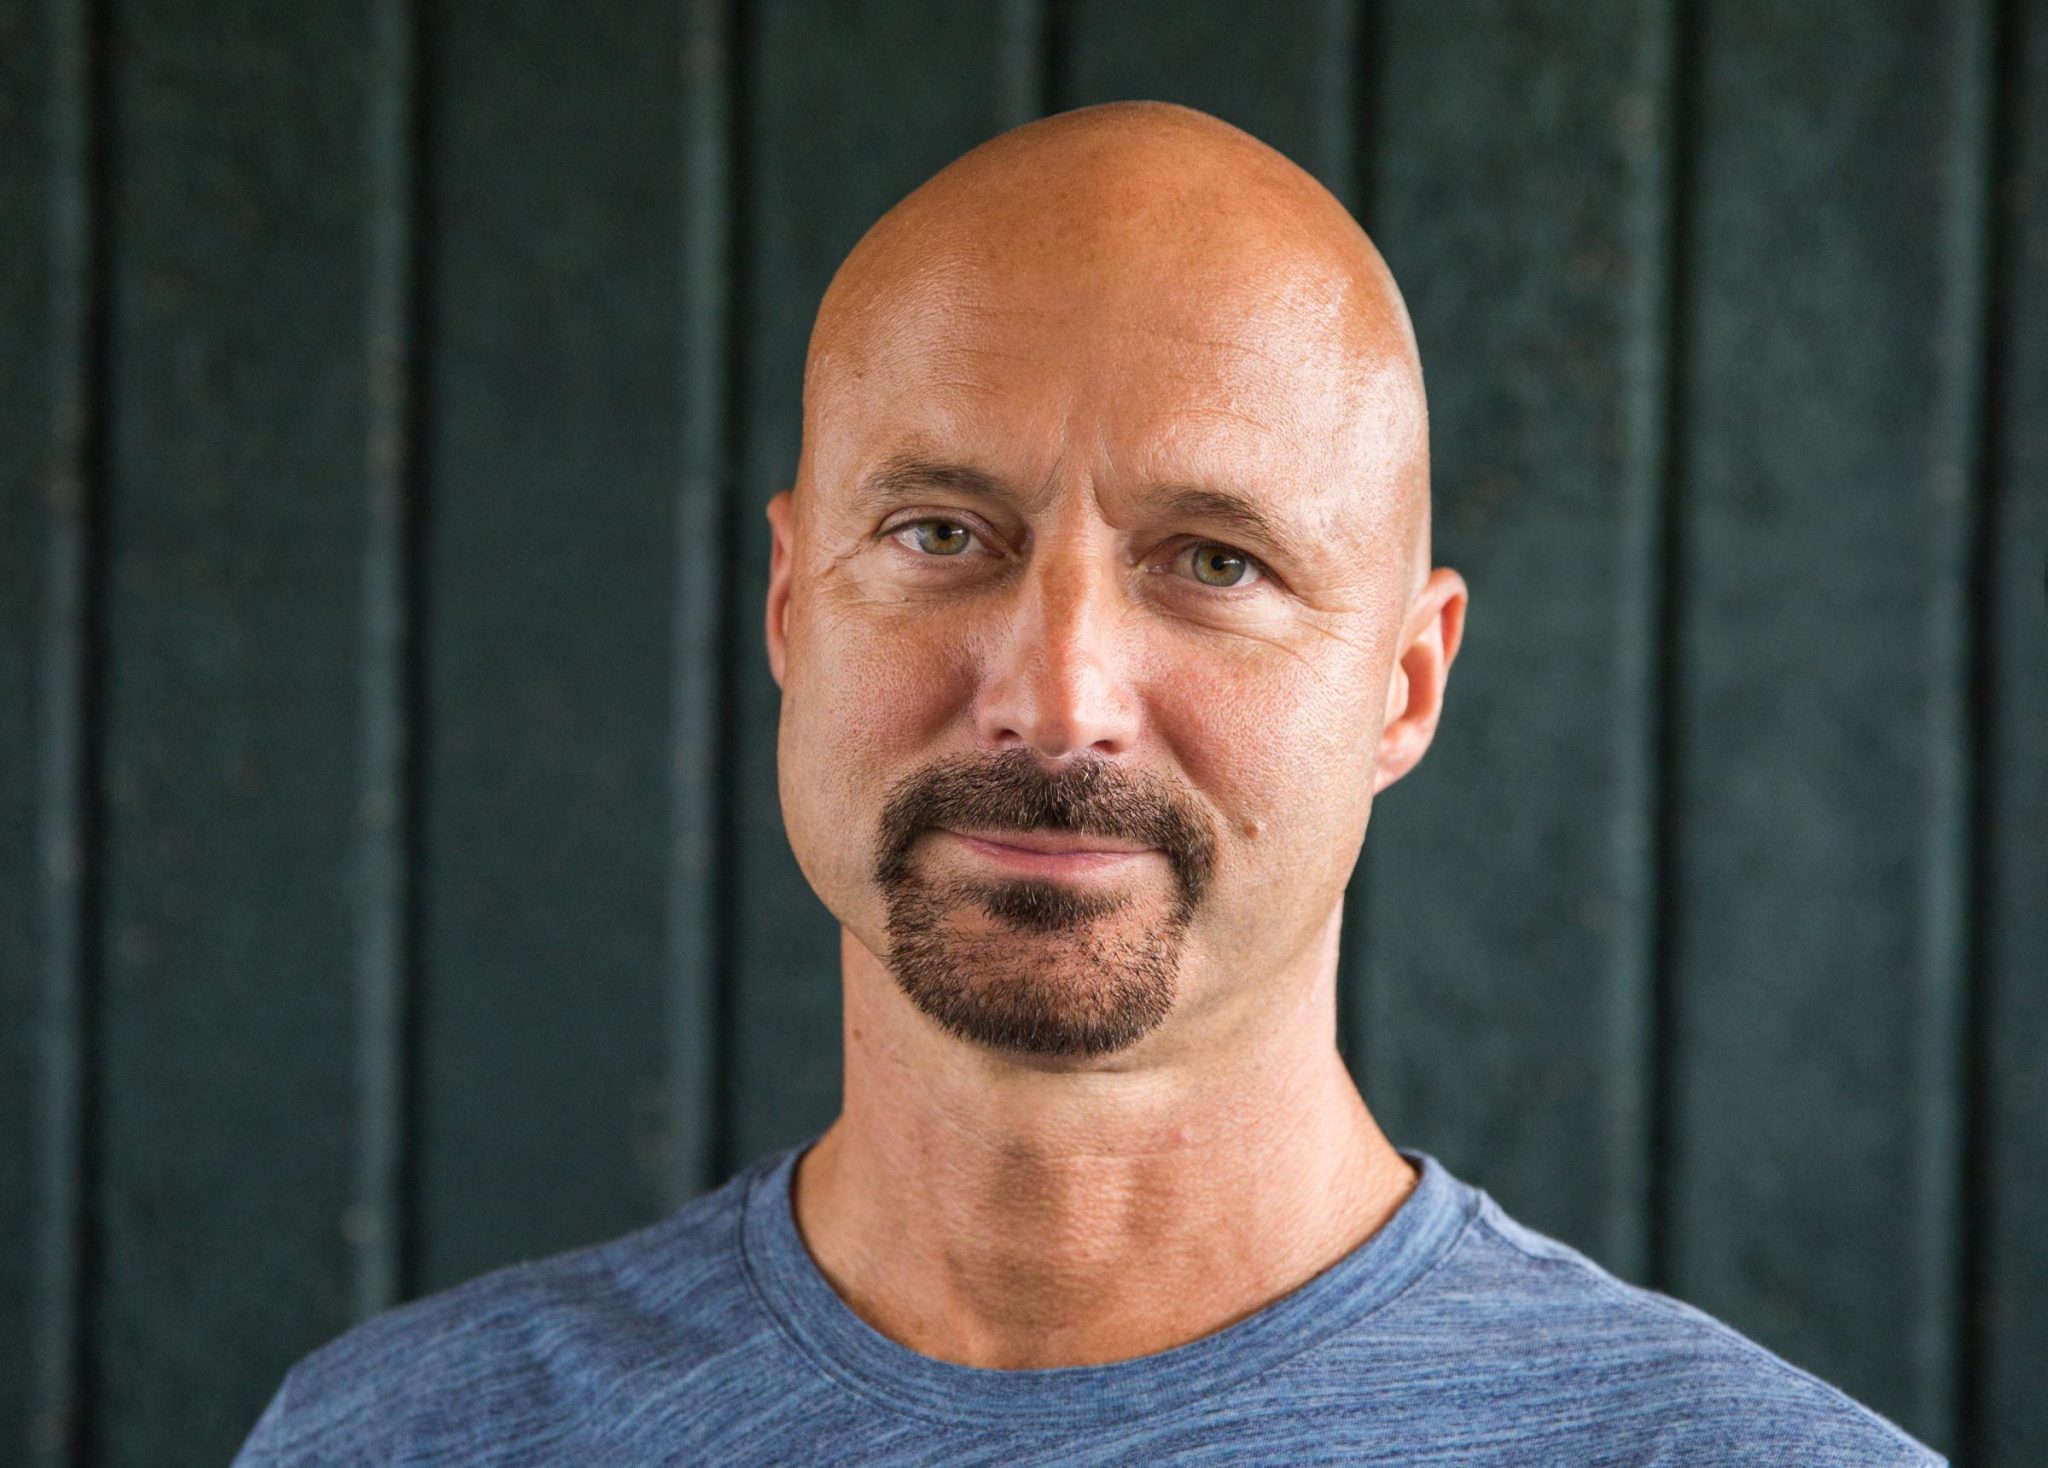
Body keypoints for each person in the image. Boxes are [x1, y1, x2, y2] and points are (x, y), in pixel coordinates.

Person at [234, 101, 1943, 1465]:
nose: (1056, 699)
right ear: (789, 609)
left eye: (1213, 561)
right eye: (940, 535)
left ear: (1406, 686)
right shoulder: (407, 1438)